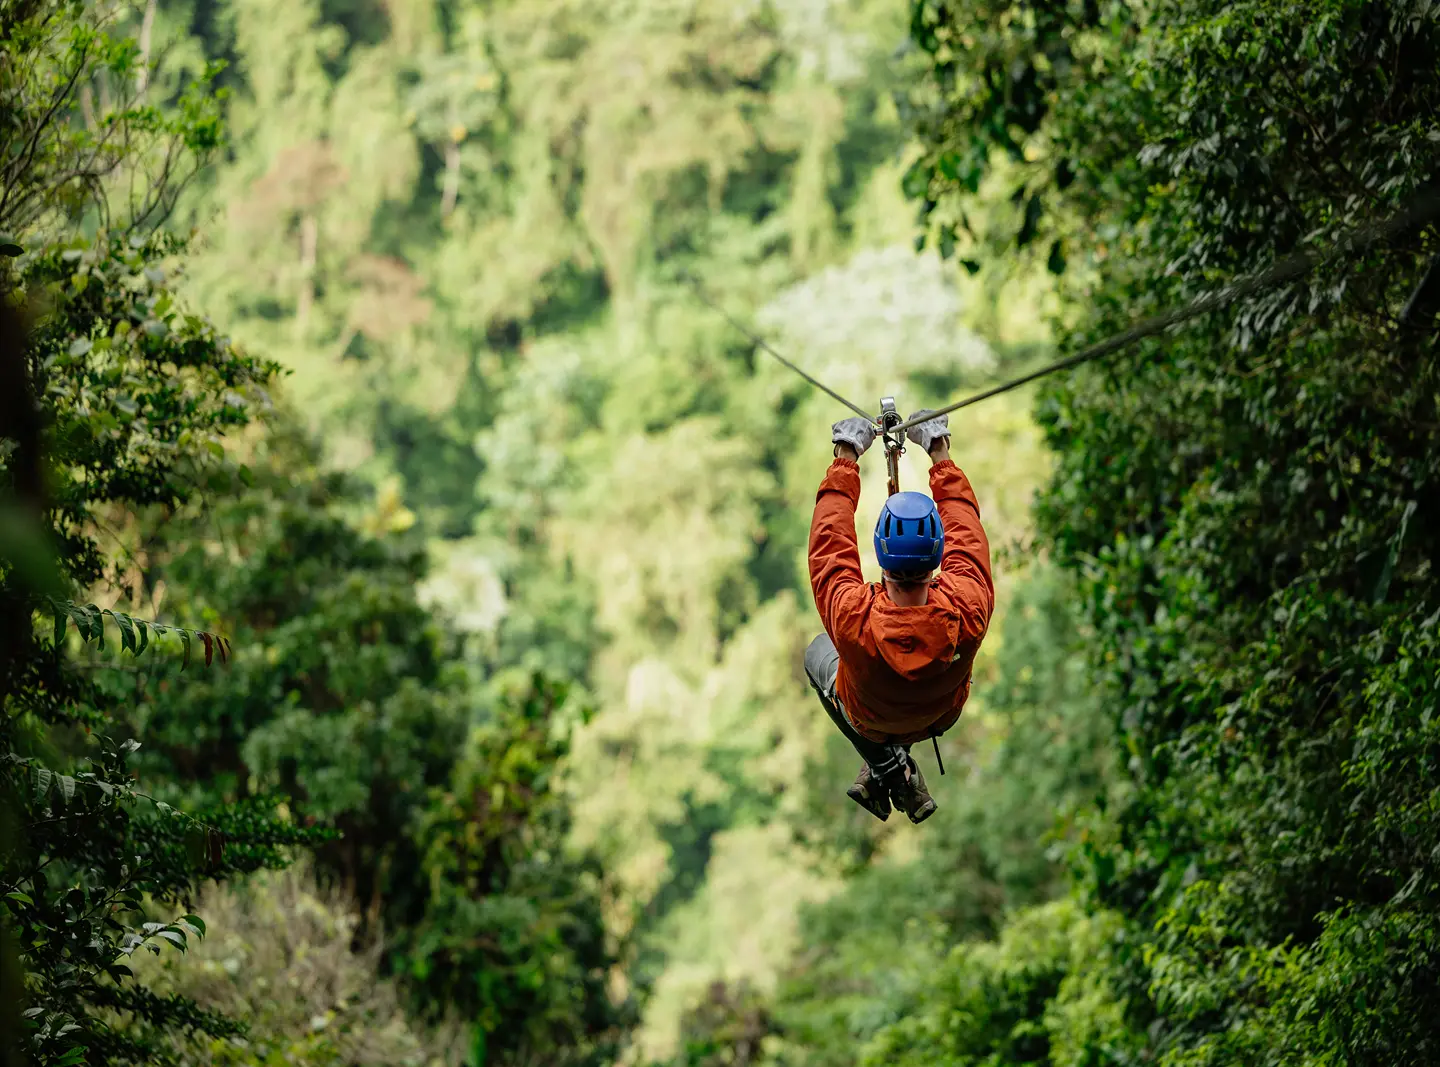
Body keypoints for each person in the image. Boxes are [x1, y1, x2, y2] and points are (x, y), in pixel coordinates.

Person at [805, 410, 994, 824]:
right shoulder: (968, 608)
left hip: (870, 719)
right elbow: (967, 534)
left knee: (817, 654)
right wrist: (939, 454)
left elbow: (829, 546)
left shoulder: (852, 616)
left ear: (881, 553)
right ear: (937, 555)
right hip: (939, 712)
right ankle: (894, 768)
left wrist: (845, 459)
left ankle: (890, 768)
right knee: (899, 687)